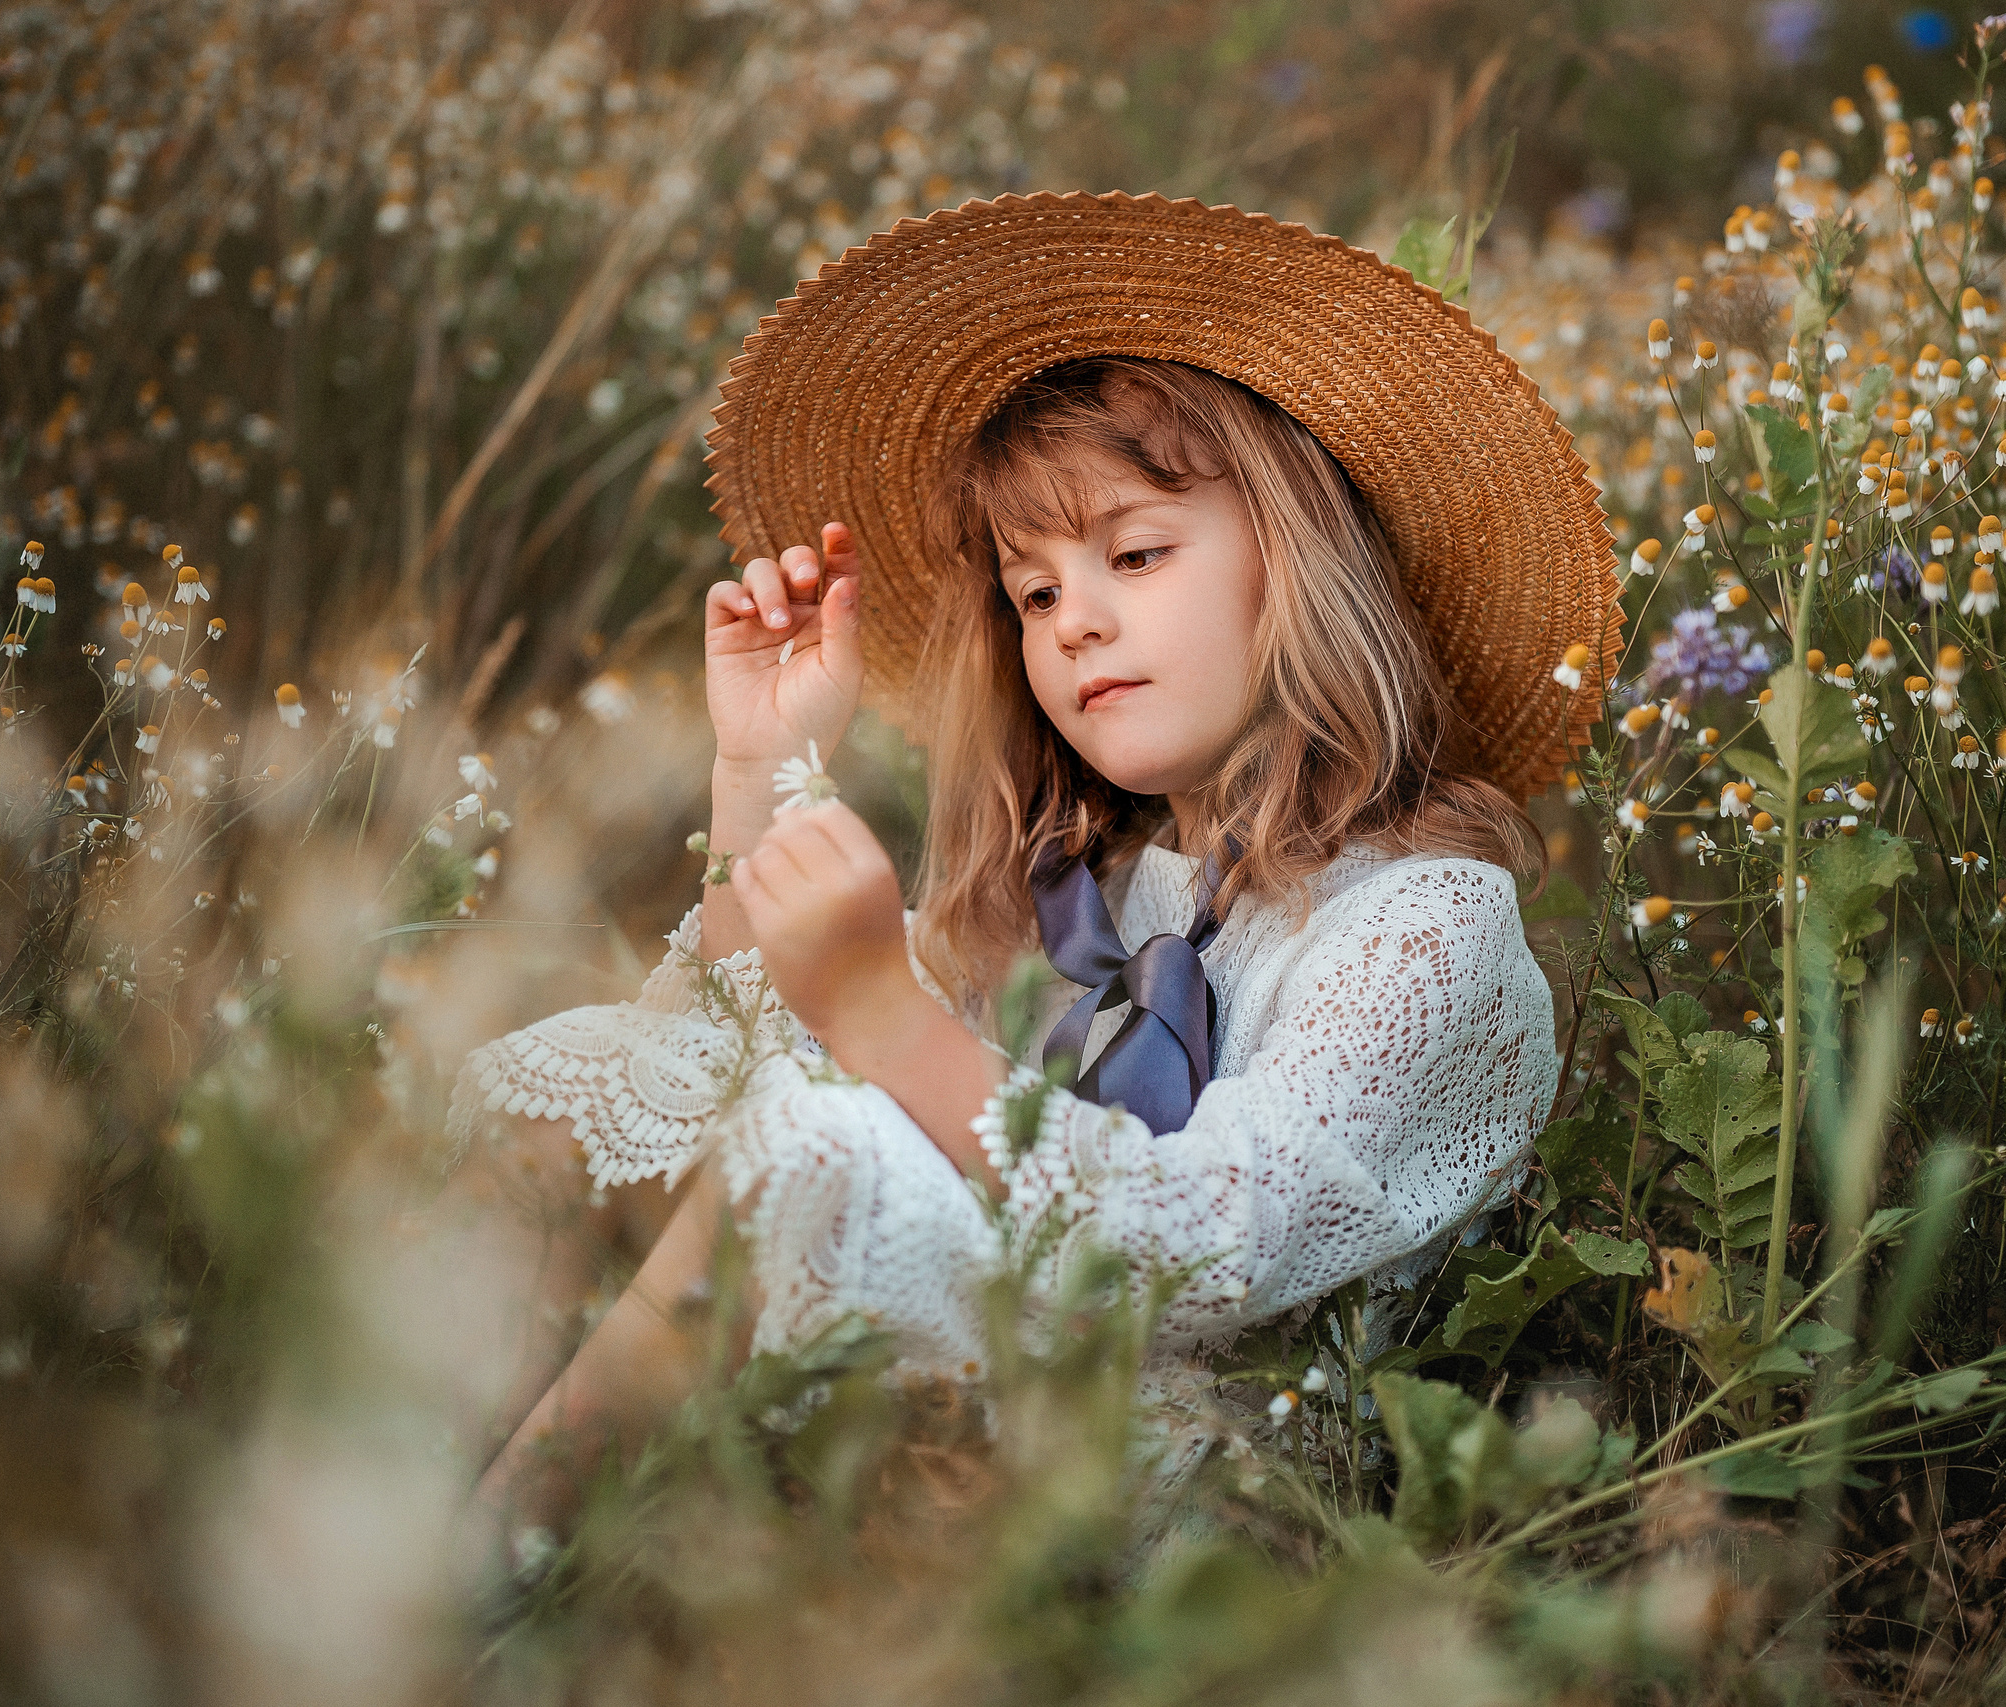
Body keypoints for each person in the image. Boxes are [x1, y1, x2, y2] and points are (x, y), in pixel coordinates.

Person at [446, 192, 1617, 1540]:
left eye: (1136, 554)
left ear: (1299, 571)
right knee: (610, 1089)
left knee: (818, 1143)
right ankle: (394, 1504)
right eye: (1037, 592)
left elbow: (1214, 1245)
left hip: (1209, 1487)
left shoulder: (1424, 926)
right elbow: (720, 1047)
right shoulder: (1085, 895)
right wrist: (765, 769)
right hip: (1000, 1382)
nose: (1074, 624)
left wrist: (885, 1016)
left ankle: (484, 1574)